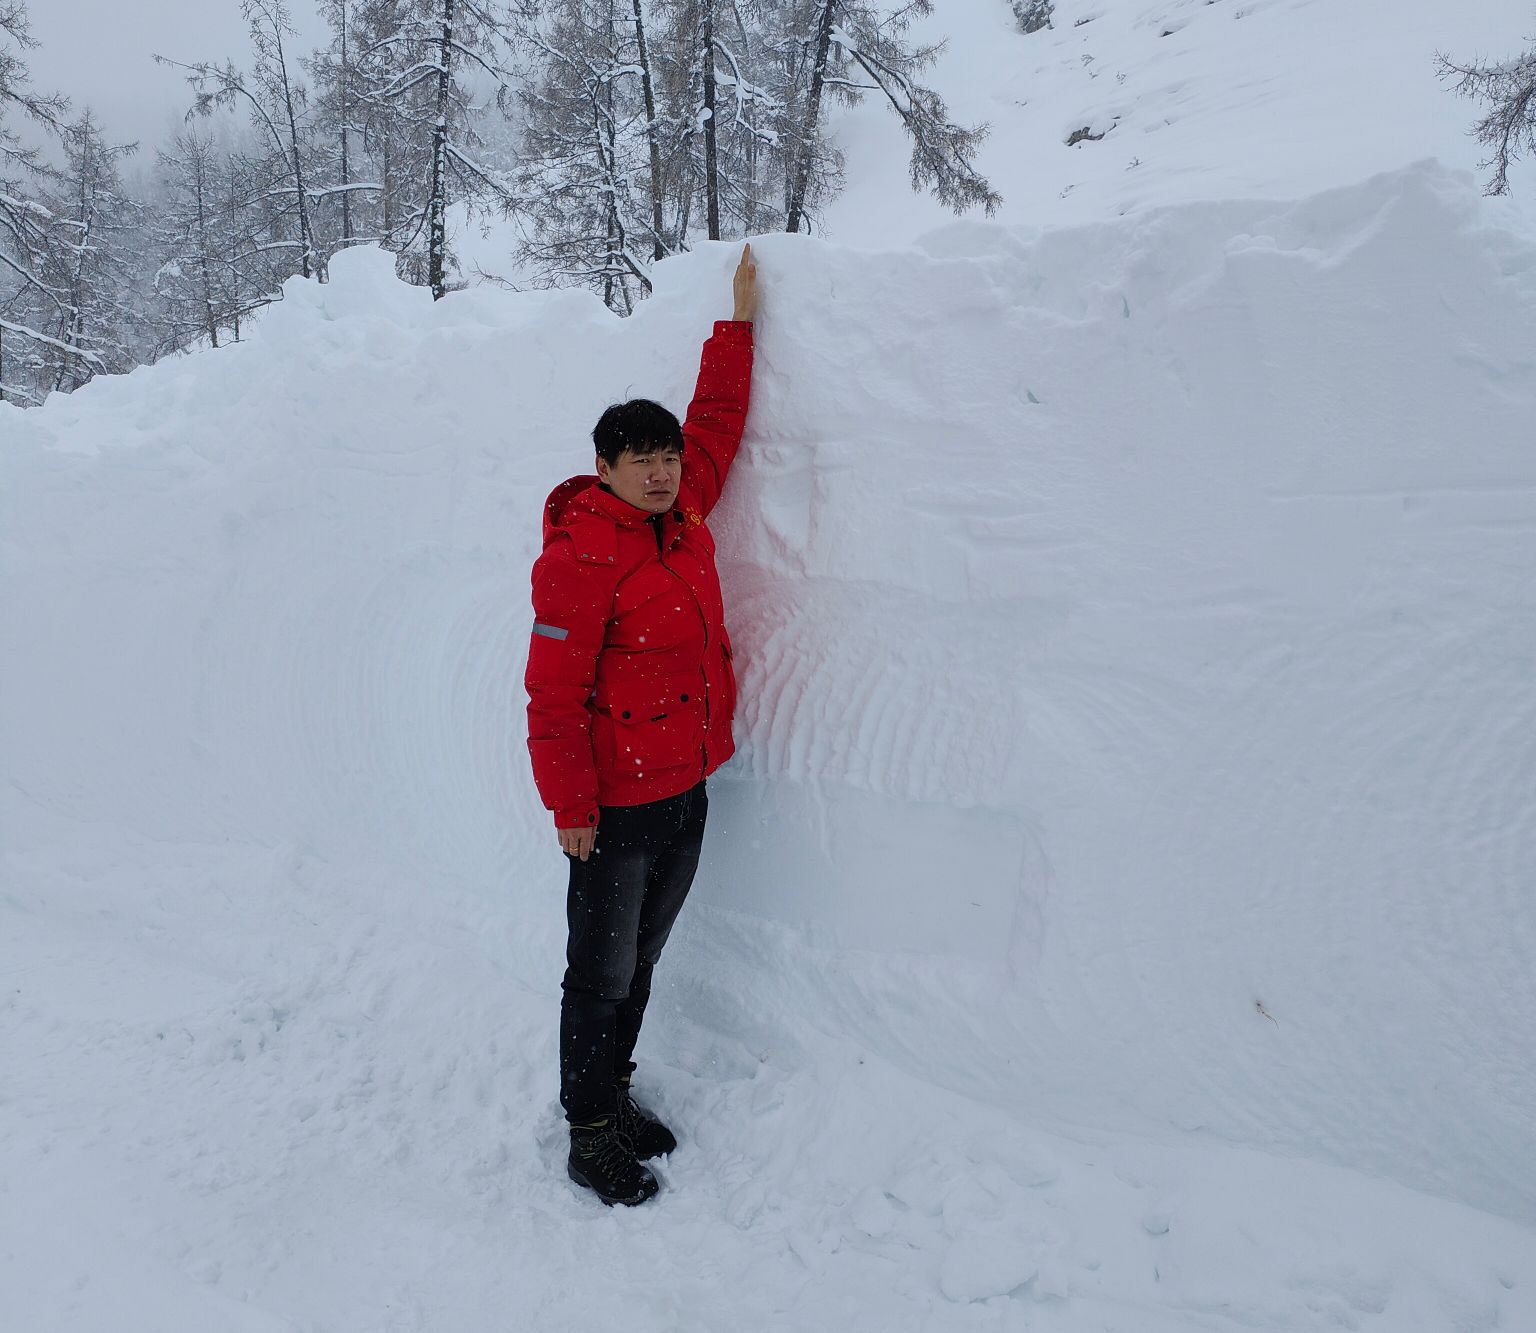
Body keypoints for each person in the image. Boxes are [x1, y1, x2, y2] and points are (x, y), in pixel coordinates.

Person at [524, 243, 758, 1206]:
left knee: (643, 956)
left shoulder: (685, 512)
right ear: (606, 468)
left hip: (685, 787)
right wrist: (571, 805)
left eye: (666, 459)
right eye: (643, 461)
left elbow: (715, 423)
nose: (663, 472)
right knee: (600, 968)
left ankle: (614, 1096)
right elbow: (550, 693)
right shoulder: (580, 559)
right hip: (613, 805)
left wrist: (739, 324)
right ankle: (586, 1132)